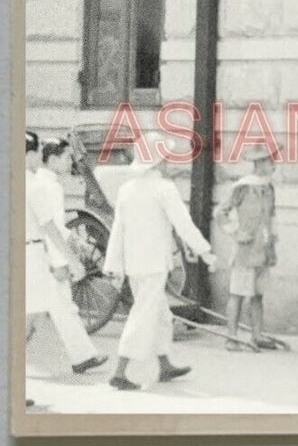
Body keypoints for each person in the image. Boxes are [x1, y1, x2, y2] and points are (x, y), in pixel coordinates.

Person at [103, 137, 218, 391]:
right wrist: (206, 252)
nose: (168, 161)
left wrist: (114, 264)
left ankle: (164, 364)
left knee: (162, 316)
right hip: (154, 264)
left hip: (135, 264)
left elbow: (117, 230)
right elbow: (183, 225)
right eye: (165, 157)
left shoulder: (127, 189)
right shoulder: (164, 188)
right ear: (157, 161)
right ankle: (120, 371)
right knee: (144, 315)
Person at [31, 138, 108, 375]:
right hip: (44, 257)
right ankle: (82, 356)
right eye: (66, 157)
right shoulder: (50, 186)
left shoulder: (39, 182)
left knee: (61, 307)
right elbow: (50, 227)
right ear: (52, 159)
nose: (70, 162)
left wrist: (75, 244)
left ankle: (82, 356)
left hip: (40, 254)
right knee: (41, 311)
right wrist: (61, 262)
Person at [215, 145, 279, 352]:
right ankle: (231, 337)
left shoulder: (269, 188)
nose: (274, 165)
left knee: (258, 295)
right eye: (270, 161)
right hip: (245, 253)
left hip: (263, 252)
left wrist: (273, 239)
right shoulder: (243, 187)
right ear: (260, 164)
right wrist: (235, 233)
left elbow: (272, 216)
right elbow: (221, 213)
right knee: (238, 294)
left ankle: (257, 335)